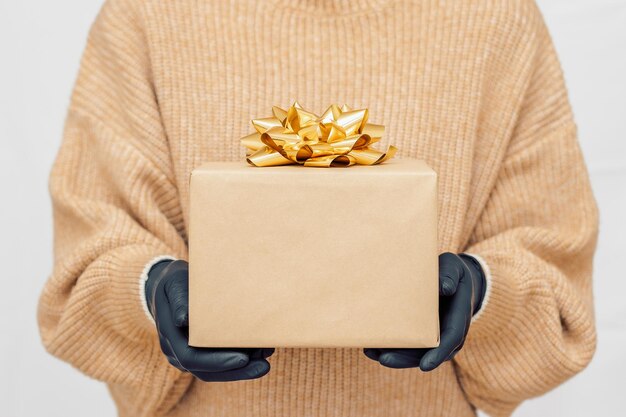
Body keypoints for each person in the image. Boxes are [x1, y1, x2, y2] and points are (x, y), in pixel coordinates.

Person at [37, 0, 599, 416]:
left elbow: (558, 286)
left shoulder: (498, 19)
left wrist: (483, 292)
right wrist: (147, 290)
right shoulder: (147, 15)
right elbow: (82, 267)